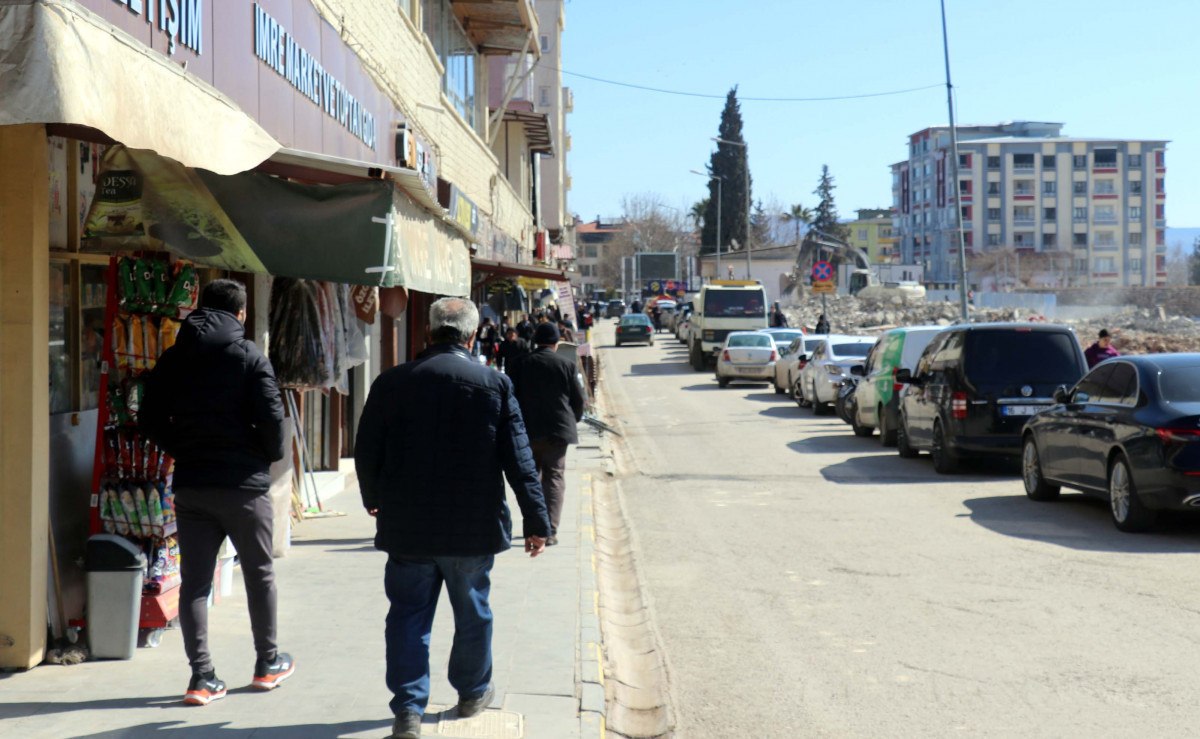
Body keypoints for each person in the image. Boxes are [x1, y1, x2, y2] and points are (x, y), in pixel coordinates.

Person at [354, 297, 550, 739]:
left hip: (408, 527)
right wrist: (537, 523)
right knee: (473, 613)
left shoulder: (392, 382)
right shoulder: (493, 384)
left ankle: (408, 710)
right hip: (472, 529)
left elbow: (367, 449)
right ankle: (472, 693)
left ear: (428, 333)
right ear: (472, 335)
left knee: (407, 617)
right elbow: (520, 461)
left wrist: (373, 498)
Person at [139, 279, 292, 706]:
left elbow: (148, 417)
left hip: (192, 486)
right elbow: (273, 422)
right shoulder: (249, 356)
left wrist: (182, 447)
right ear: (240, 314)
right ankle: (268, 664)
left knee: (196, 584)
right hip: (245, 488)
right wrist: (262, 456)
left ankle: (201, 677)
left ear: (200, 309)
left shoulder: (174, 356)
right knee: (259, 575)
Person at [509, 323, 586, 547]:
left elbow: (510, 397)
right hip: (558, 431)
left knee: (530, 479)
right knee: (554, 477)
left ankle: (533, 529)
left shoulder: (520, 364)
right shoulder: (566, 365)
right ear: (556, 343)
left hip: (527, 431)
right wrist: (574, 419)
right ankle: (550, 530)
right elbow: (578, 400)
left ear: (535, 340)